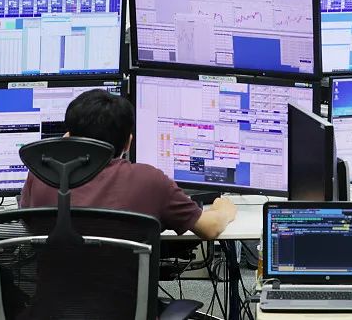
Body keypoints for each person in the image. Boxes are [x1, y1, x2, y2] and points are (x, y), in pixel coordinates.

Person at [19, 89, 236, 239]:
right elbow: (210, 229)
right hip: (125, 296)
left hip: (49, 295)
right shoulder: (150, 181)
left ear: (68, 136)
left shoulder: (40, 175)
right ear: (128, 143)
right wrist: (224, 210)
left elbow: (28, 226)